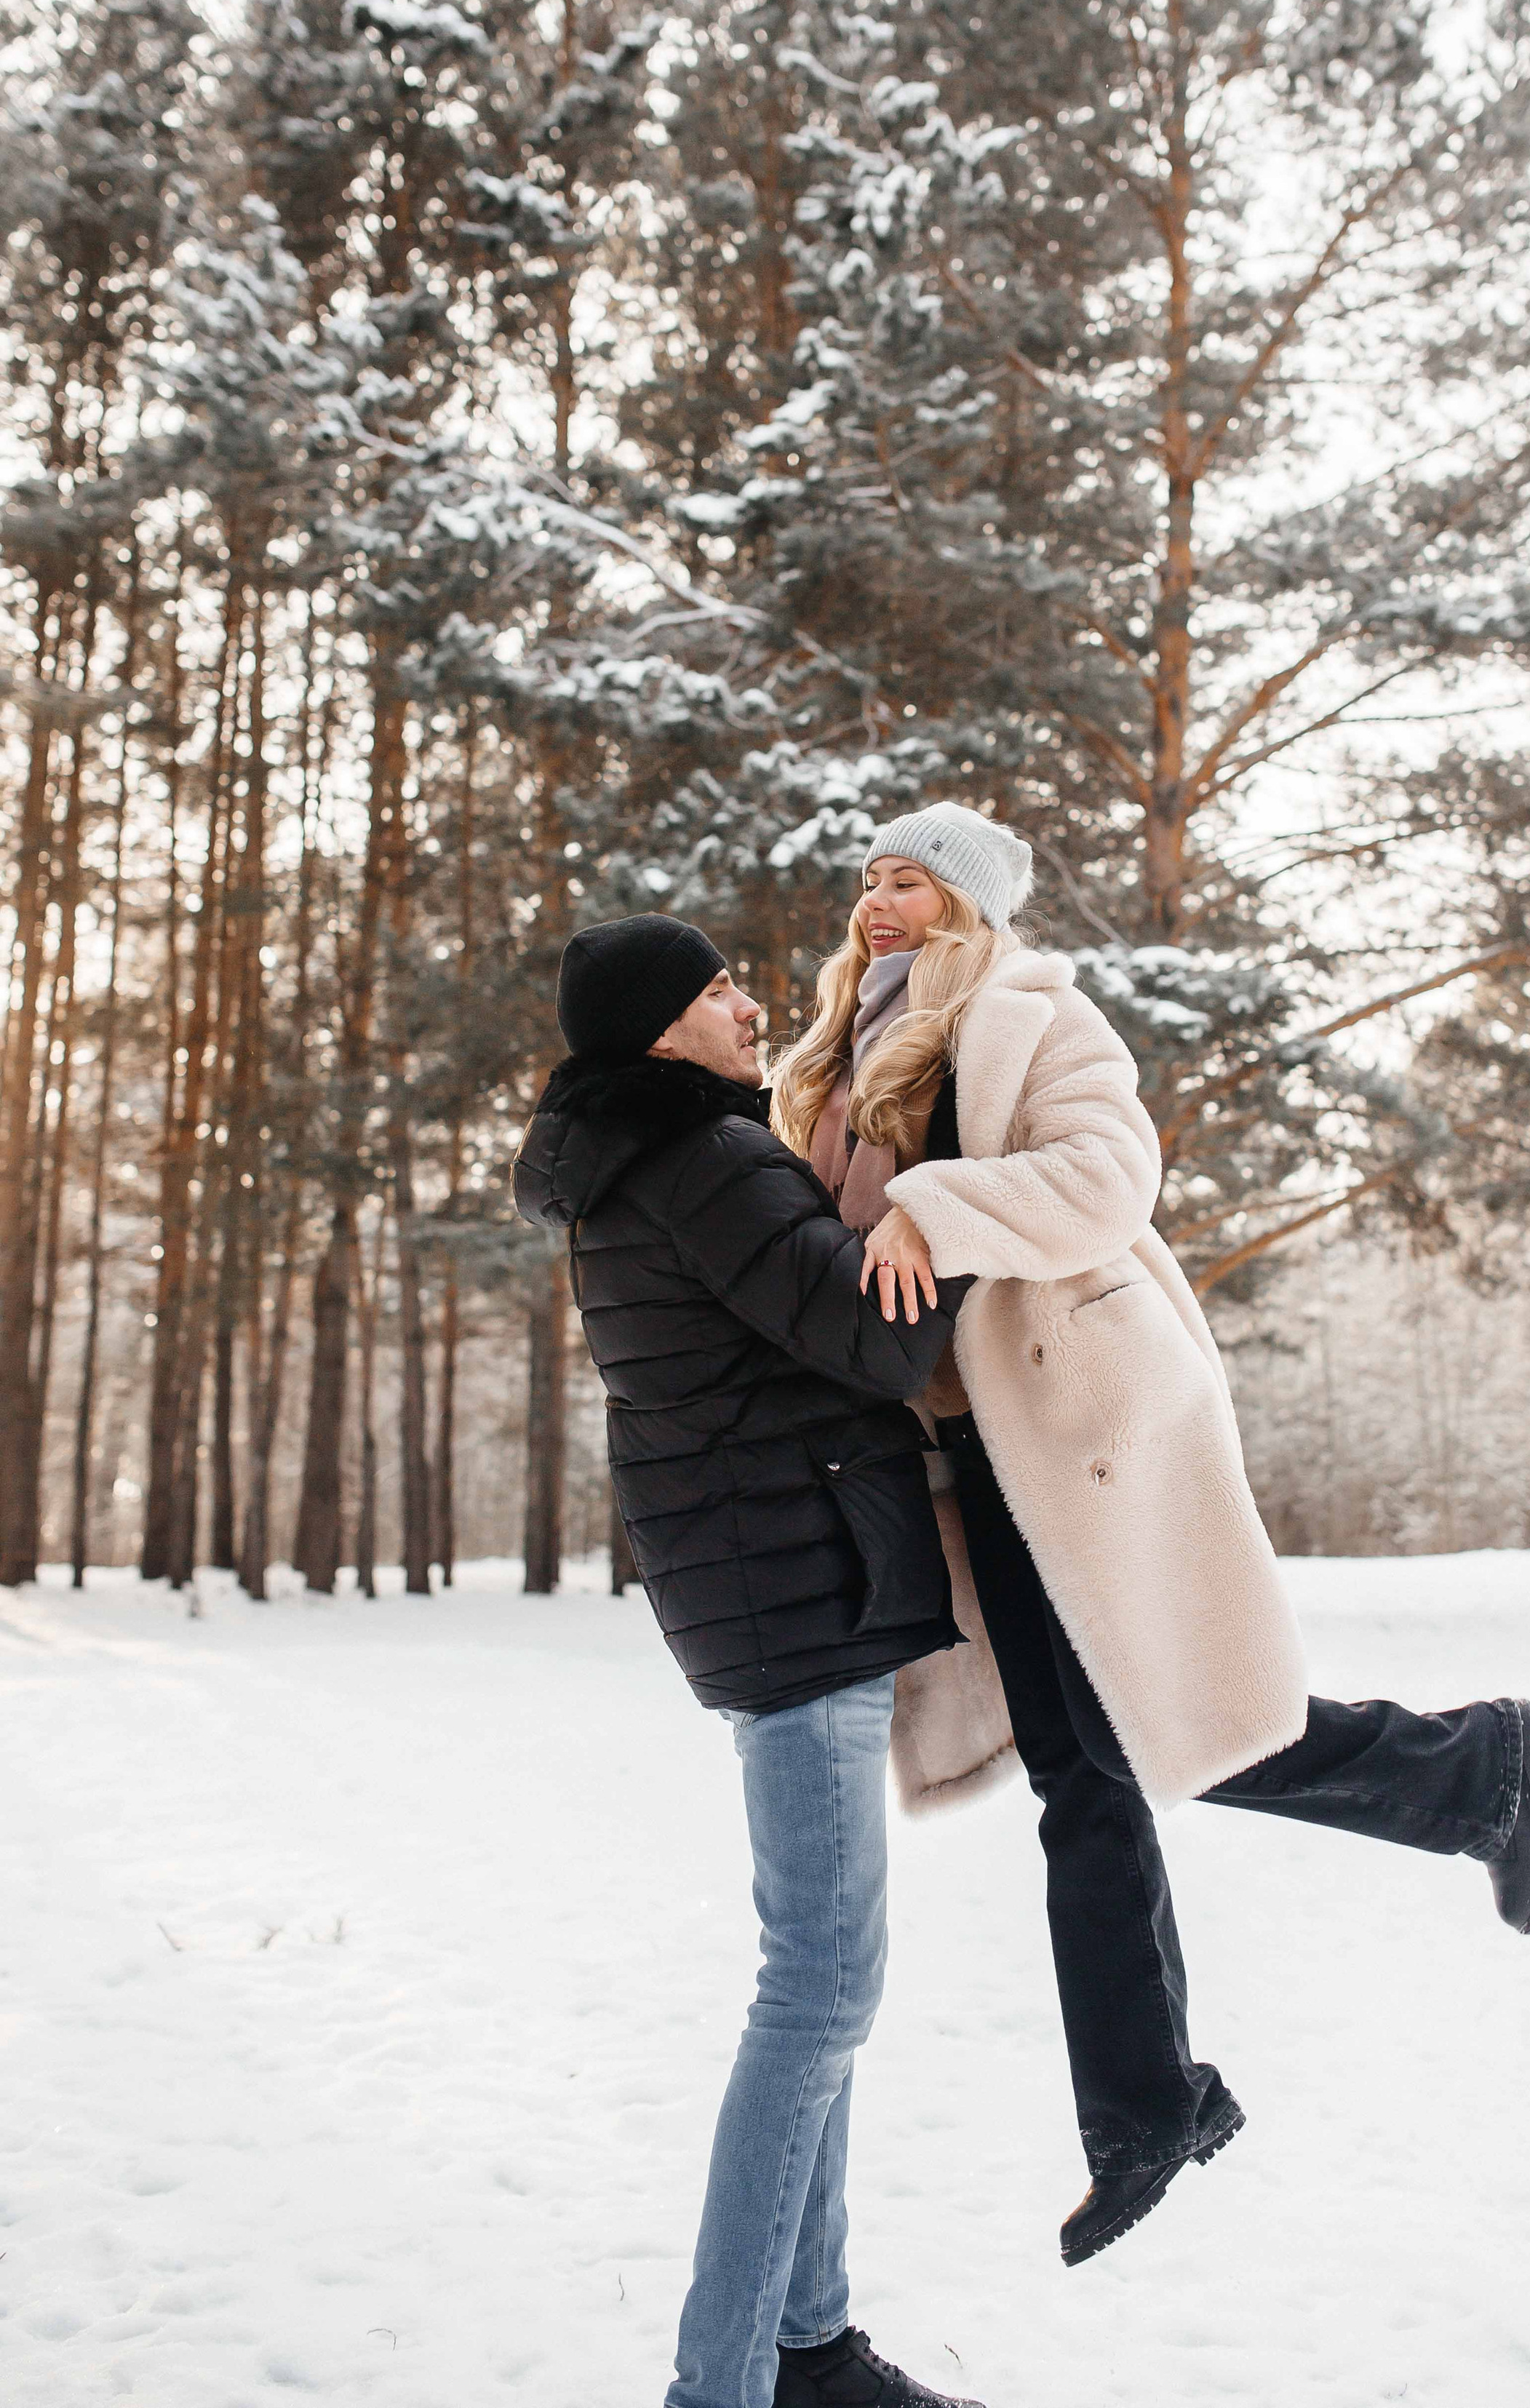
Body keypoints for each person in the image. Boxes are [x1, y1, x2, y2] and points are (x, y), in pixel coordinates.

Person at [769, 803, 1530, 2271]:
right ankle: (1455, 1786)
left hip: (1078, 1424)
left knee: (1119, 1751)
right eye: (870, 880)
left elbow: (1100, 1185)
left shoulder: (1029, 1015)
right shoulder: (826, 1060)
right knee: (1098, 1767)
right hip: (964, 1452)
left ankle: (1154, 2099)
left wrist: (933, 1205)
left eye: (910, 881)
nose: (879, 902)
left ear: (968, 903)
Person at [512, 912, 987, 2408]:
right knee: (818, 1991)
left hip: (767, 1582)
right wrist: (965, 1211)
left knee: (825, 1982)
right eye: (714, 990)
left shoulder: (645, 1160)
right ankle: (723, 2383)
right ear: (658, 1026)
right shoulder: (698, 1162)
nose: (744, 1004)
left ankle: (811, 2350)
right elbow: (875, 1338)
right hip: (791, 1594)